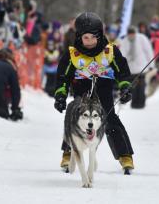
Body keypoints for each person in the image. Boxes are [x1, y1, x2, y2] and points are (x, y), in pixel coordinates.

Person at [54, 12, 135, 172]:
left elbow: (122, 71)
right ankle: (68, 152)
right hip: (81, 87)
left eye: (93, 37)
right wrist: (60, 95)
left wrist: (125, 87)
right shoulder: (72, 55)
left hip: (103, 86)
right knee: (75, 116)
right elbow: (63, 77)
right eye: (86, 38)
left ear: (100, 36)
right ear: (79, 37)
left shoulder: (110, 51)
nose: (89, 42)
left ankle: (125, 155)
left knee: (109, 117)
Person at [119, 26, 155, 109]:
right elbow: (122, 55)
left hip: (142, 67)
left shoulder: (142, 38)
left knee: (141, 86)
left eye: (133, 34)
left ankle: (141, 104)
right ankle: (134, 104)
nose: (131, 36)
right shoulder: (124, 41)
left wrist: (151, 64)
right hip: (131, 69)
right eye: (130, 34)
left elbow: (148, 51)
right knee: (133, 88)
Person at [0, 48, 23, 121]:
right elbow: (15, 90)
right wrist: (15, 108)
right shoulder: (11, 67)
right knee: (3, 115)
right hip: (0, 92)